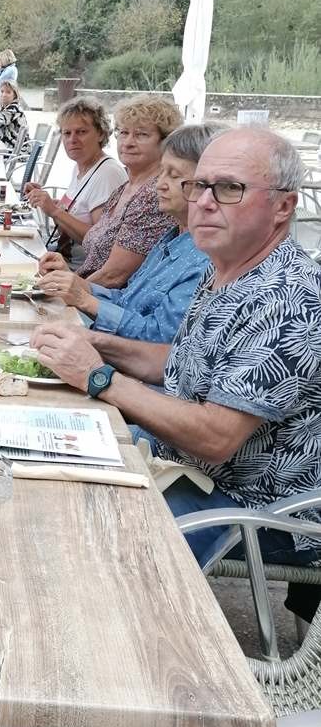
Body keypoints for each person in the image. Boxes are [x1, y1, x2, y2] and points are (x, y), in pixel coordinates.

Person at [29, 127, 321, 575]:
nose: (204, 201)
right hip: (186, 465)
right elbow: (178, 360)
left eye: (229, 189)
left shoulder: (287, 296)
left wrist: (100, 377)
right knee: (40, 449)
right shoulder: (233, 266)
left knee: (77, 536)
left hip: (257, 509)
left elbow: (216, 438)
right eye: (200, 185)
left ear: (283, 206)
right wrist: (98, 344)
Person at [36, 123, 219, 343]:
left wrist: (84, 299)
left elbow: (160, 339)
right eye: (161, 173)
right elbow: (127, 299)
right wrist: (77, 285)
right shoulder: (171, 237)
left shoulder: (205, 258)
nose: (159, 185)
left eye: (173, 175)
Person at [69, 94, 181, 285]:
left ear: (165, 142)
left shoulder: (153, 195)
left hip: (109, 303)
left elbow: (114, 276)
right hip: (89, 288)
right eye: (123, 132)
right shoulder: (123, 189)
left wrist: (65, 286)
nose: (128, 142)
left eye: (141, 134)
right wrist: (64, 272)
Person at [24, 95, 127, 265]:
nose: (72, 140)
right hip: (60, 258)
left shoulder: (107, 173)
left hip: (79, 271)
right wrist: (46, 202)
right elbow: (78, 213)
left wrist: (54, 211)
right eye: (67, 133)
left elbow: (101, 242)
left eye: (81, 132)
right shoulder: (80, 167)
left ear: (101, 134)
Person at [0, 78, 30, 155]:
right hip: (9, 147)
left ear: (14, 95)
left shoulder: (14, 108)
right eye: (2, 91)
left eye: (8, 92)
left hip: (18, 151)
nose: (4, 95)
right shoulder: (3, 108)